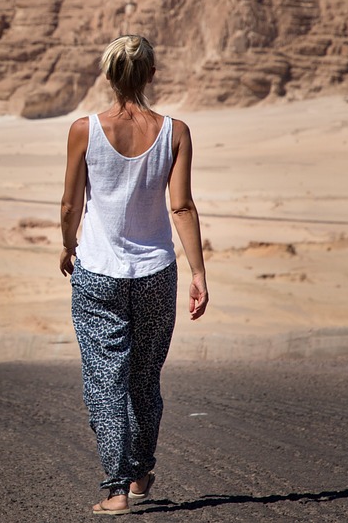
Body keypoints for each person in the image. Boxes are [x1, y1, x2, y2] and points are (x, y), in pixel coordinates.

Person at [59, 34, 209, 516]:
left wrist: (67, 247)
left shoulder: (84, 129)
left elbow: (70, 203)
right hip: (155, 274)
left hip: (98, 272)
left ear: (108, 75)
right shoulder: (176, 131)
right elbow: (181, 205)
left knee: (106, 381)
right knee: (145, 377)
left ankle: (117, 489)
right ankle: (142, 471)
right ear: (150, 74)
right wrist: (199, 272)